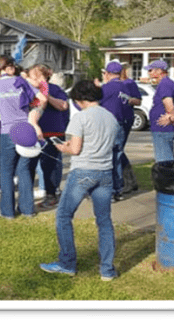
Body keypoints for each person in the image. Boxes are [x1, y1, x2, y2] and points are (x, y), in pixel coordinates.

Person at [39, 80, 119, 281]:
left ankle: (66, 263)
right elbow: (108, 143)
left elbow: (75, 149)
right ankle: (107, 270)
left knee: (64, 215)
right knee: (104, 221)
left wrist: (62, 147)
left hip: (83, 171)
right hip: (105, 171)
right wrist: (72, 144)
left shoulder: (80, 118)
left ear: (79, 99)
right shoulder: (111, 117)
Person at [0, 55, 46, 219]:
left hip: (7, 131)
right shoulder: (22, 82)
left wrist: (3, 117)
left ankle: (7, 210)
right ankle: (27, 209)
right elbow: (42, 99)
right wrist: (34, 116)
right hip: (25, 129)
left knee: (6, 171)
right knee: (25, 170)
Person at [25, 64, 69, 208]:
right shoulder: (27, 90)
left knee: (49, 166)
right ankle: (27, 196)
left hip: (52, 133)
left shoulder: (55, 89)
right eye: (33, 77)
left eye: (40, 76)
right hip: (32, 133)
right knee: (29, 165)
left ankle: (51, 194)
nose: (36, 80)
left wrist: (46, 96)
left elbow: (63, 106)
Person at [98, 60, 131, 202]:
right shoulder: (125, 88)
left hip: (109, 124)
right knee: (117, 157)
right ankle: (118, 190)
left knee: (107, 158)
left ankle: (109, 191)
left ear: (108, 73)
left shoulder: (108, 87)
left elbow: (94, 102)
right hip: (121, 123)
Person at [145, 60, 174, 162]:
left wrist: (172, 119)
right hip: (163, 128)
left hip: (162, 128)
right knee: (167, 157)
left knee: (164, 161)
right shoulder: (169, 83)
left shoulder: (165, 84)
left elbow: (169, 105)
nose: (149, 73)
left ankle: (166, 177)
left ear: (159, 71)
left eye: (151, 70)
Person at [119, 63, 142, 194]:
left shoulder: (129, 83)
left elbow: (138, 100)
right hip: (114, 119)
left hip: (126, 117)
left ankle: (128, 181)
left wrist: (128, 99)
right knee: (118, 149)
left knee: (118, 149)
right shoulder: (110, 84)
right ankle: (129, 180)